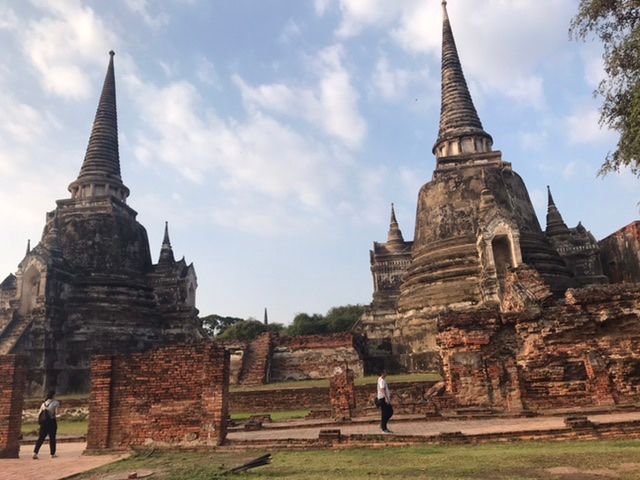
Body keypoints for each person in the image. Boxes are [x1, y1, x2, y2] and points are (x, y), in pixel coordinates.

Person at [33, 390, 59, 459]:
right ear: (53, 395)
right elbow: (56, 413)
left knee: (41, 438)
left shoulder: (43, 404)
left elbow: (39, 413)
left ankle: (35, 453)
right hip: (51, 422)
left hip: (44, 423)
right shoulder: (55, 403)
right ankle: (52, 453)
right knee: (52, 438)